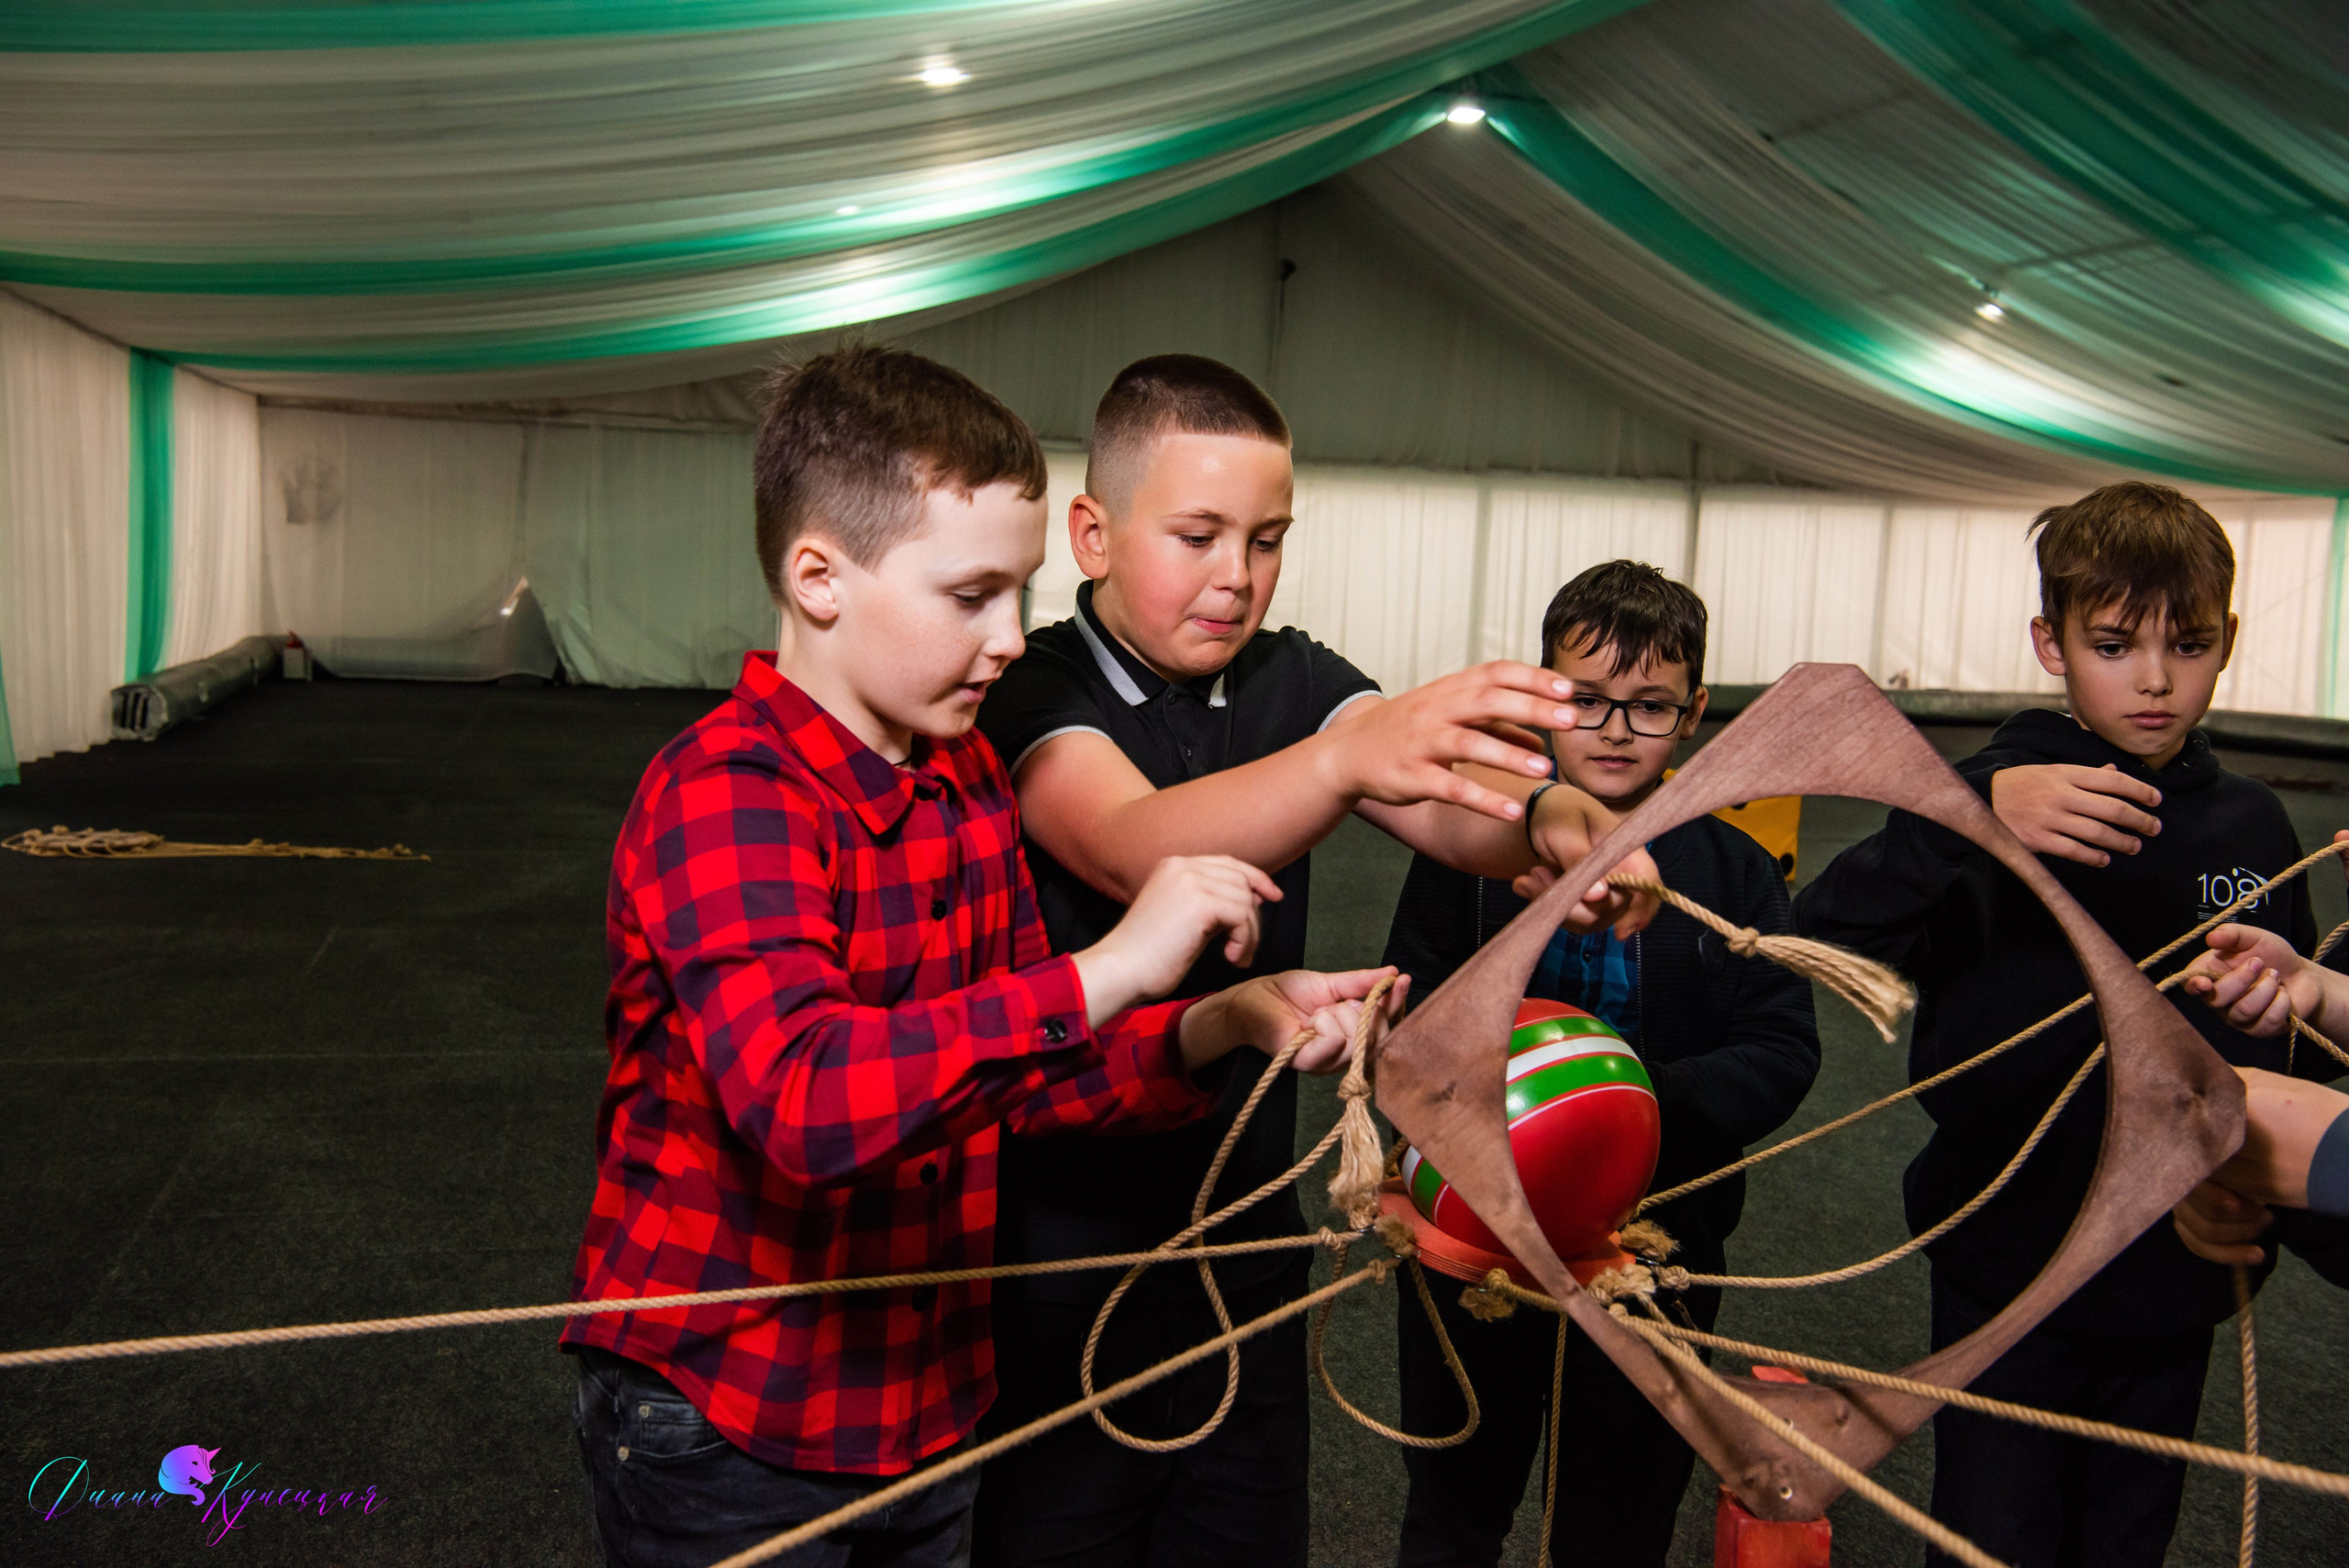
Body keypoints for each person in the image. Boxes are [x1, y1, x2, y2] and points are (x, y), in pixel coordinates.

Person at [559, 345, 1405, 1568]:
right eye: (970, 597)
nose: (1012, 638)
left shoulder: (957, 783)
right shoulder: (728, 789)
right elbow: (805, 1099)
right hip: (733, 1418)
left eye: (1021, 592)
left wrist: (1229, 1019)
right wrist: (1111, 965)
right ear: (818, 578)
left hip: (928, 1397)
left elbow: (1035, 1071)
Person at [970, 355, 1653, 1568]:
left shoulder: (1293, 677)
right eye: (1197, 535)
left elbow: (1448, 803)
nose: (1237, 576)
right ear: (1092, 533)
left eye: (1268, 538)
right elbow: (1138, 846)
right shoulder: (1032, 688)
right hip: (1056, 1258)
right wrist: (1347, 762)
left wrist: (1547, 822)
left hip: (1243, 1241)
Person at [1794, 482, 2319, 1568]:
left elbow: (2283, 1050)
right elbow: (1830, 941)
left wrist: (2246, 1182)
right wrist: (1969, 819)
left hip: (2173, 1267)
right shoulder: (1983, 789)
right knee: (1994, 1530)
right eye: (2115, 642)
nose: (2155, 678)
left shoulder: (2254, 822)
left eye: (2190, 643)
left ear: (2229, 643)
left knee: (2128, 1534)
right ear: (2051, 640)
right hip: (2008, 1255)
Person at [1378, 560, 1821, 1568]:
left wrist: (1620, 1102)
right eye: (1587, 700)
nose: (1615, 728)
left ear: (1695, 711)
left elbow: (1782, 1047)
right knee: (1453, 1499)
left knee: (1619, 1515)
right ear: (1544, 694)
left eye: (1650, 706)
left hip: (1657, 1254)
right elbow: (1409, 1021)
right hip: (1475, 1248)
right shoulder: (1472, 848)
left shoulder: (1735, 870)